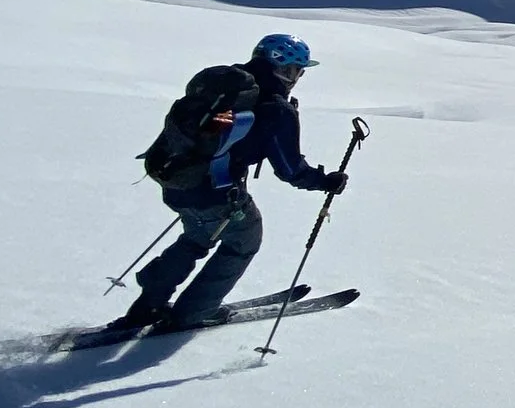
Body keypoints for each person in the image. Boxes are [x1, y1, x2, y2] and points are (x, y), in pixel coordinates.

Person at [109, 34, 347, 331]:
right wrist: (325, 181)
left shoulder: (226, 87)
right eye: (298, 70)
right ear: (283, 68)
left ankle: (148, 304)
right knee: (244, 239)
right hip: (215, 193)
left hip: (176, 179)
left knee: (196, 237)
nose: (298, 77)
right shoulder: (275, 108)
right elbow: (290, 170)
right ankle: (194, 313)